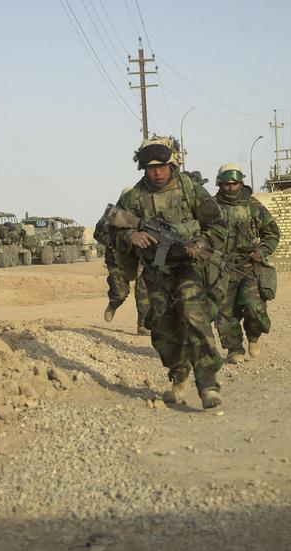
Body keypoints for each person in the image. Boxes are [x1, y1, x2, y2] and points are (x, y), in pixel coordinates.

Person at [105, 136, 228, 409]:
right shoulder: (133, 198)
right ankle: (179, 375)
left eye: (161, 166)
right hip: (156, 272)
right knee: (163, 329)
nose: (156, 172)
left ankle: (208, 384)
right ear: (143, 170)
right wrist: (130, 236)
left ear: (171, 165)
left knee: (194, 315)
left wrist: (203, 243)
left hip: (189, 266)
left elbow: (218, 224)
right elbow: (106, 229)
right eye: (150, 168)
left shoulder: (190, 190)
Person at [212, 163, 280, 364]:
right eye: (226, 184)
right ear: (219, 184)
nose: (231, 188)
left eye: (235, 184)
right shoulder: (210, 207)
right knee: (224, 312)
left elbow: (272, 233)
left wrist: (261, 251)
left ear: (241, 184)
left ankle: (253, 336)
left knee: (253, 306)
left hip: (249, 265)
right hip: (221, 267)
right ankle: (234, 349)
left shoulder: (252, 206)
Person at [96, 187, 151, 335]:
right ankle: (113, 304)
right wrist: (119, 240)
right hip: (117, 259)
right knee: (120, 293)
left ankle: (143, 325)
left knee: (144, 289)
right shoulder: (112, 216)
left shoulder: (143, 216)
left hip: (139, 259)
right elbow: (98, 234)